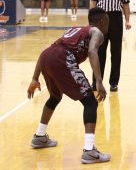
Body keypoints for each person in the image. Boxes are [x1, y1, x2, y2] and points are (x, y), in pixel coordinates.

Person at [27, 8, 111, 164]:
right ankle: (89, 151)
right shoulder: (97, 33)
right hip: (62, 58)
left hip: (47, 56)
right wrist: (98, 81)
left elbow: (47, 50)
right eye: (108, 22)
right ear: (102, 22)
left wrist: (35, 78)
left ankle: (39, 137)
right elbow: (92, 51)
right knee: (90, 102)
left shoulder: (77, 29)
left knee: (54, 97)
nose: (108, 26)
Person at [90, 0, 131, 92]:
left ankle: (114, 83)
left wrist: (127, 20)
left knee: (116, 52)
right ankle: (96, 81)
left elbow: (125, 3)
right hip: (101, 18)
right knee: (99, 52)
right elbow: (93, 2)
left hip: (116, 18)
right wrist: (93, 21)